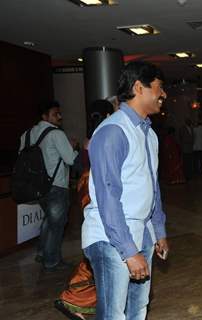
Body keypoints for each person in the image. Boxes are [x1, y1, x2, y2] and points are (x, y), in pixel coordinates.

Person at [81, 61, 169, 320]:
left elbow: (152, 186)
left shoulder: (149, 134)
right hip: (111, 236)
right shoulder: (112, 131)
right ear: (139, 87)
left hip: (141, 231)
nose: (163, 95)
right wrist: (129, 251)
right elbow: (108, 198)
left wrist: (158, 231)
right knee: (113, 315)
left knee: (138, 308)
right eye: (159, 88)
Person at [54, 99, 116, 320]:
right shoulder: (107, 136)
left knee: (100, 248)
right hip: (96, 190)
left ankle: (76, 298)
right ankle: (74, 297)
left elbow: (79, 164)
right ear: (108, 115)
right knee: (104, 248)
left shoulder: (89, 138)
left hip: (85, 188)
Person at [19, 100, 78, 272]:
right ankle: (51, 260)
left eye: (59, 113)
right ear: (44, 116)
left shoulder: (27, 134)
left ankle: (42, 252)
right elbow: (71, 159)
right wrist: (73, 147)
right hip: (56, 186)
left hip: (36, 186)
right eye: (55, 114)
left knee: (49, 220)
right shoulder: (56, 134)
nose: (59, 117)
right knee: (57, 224)